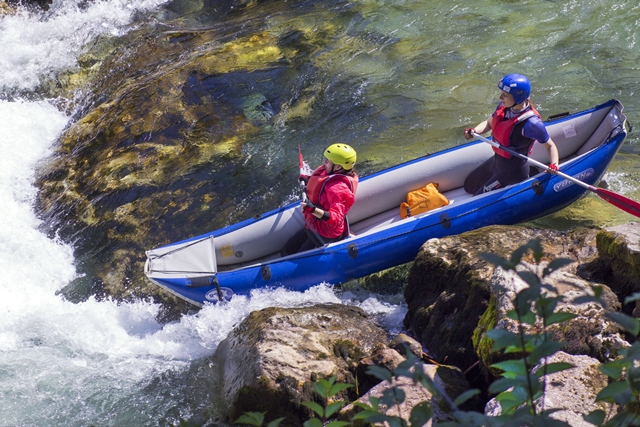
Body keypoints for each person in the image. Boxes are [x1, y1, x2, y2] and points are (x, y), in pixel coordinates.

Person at [463, 73, 559, 195]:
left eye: (505, 95)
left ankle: (526, 177)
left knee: (477, 197)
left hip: (513, 171)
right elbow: (489, 123)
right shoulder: (504, 107)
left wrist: (554, 164)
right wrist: (475, 131)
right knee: (469, 186)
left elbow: (550, 146)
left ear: (518, 97)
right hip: (498, 161)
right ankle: (532, 171)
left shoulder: (531, 123)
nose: (500, 97)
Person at [281, 143, 358, 256]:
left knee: (296, 259)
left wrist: (312, 209)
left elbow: (336, 220)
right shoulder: (331, 171)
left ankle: (339, 240)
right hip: (313, 225)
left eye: (328, 161)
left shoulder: (338, 189)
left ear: (338, 167)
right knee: (286, 251)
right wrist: (308, 180)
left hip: (325, 234)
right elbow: (321, 184)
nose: (325, 162)